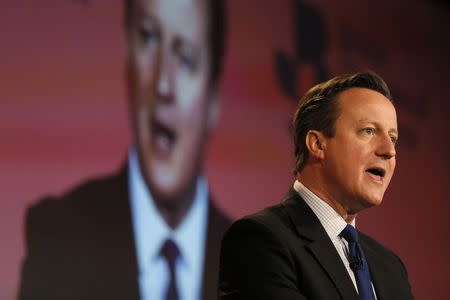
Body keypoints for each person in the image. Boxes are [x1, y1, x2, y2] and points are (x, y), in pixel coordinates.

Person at [18, 0, 230, 299]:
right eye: (149, 38)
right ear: (127, 58)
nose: (163, 85)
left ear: (214, 99)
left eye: (185, 58)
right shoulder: (59, 239)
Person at [219, 71, 414, 299]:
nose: (389, 151)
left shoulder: (391, 268)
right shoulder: (260, 241)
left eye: (393, 138)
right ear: (317, 144)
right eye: (368, 131)